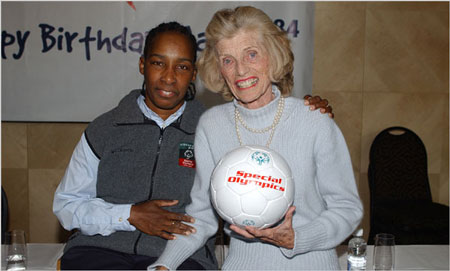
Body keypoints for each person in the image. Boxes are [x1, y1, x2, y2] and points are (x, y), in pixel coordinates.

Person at [53, 21, 333, 270]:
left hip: (184, 258)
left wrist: (307, 121)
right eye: (158, 63)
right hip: (99, 252)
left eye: (182, 66)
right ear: (142, 64)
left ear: (194, 74)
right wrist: (130, 215)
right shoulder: (105, 129)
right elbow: (67, 206)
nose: (169, 77)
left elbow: (269, 168)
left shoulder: (219, 130)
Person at [150, 6, 363, 270]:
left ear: (272, 56)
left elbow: (347, 208)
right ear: (219, 69)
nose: (240, 70)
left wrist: (298, 237)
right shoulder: (211, 125)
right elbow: (202, 215)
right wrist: (165, 265)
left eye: (251, 54)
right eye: (228, 60)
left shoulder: (314, 121)